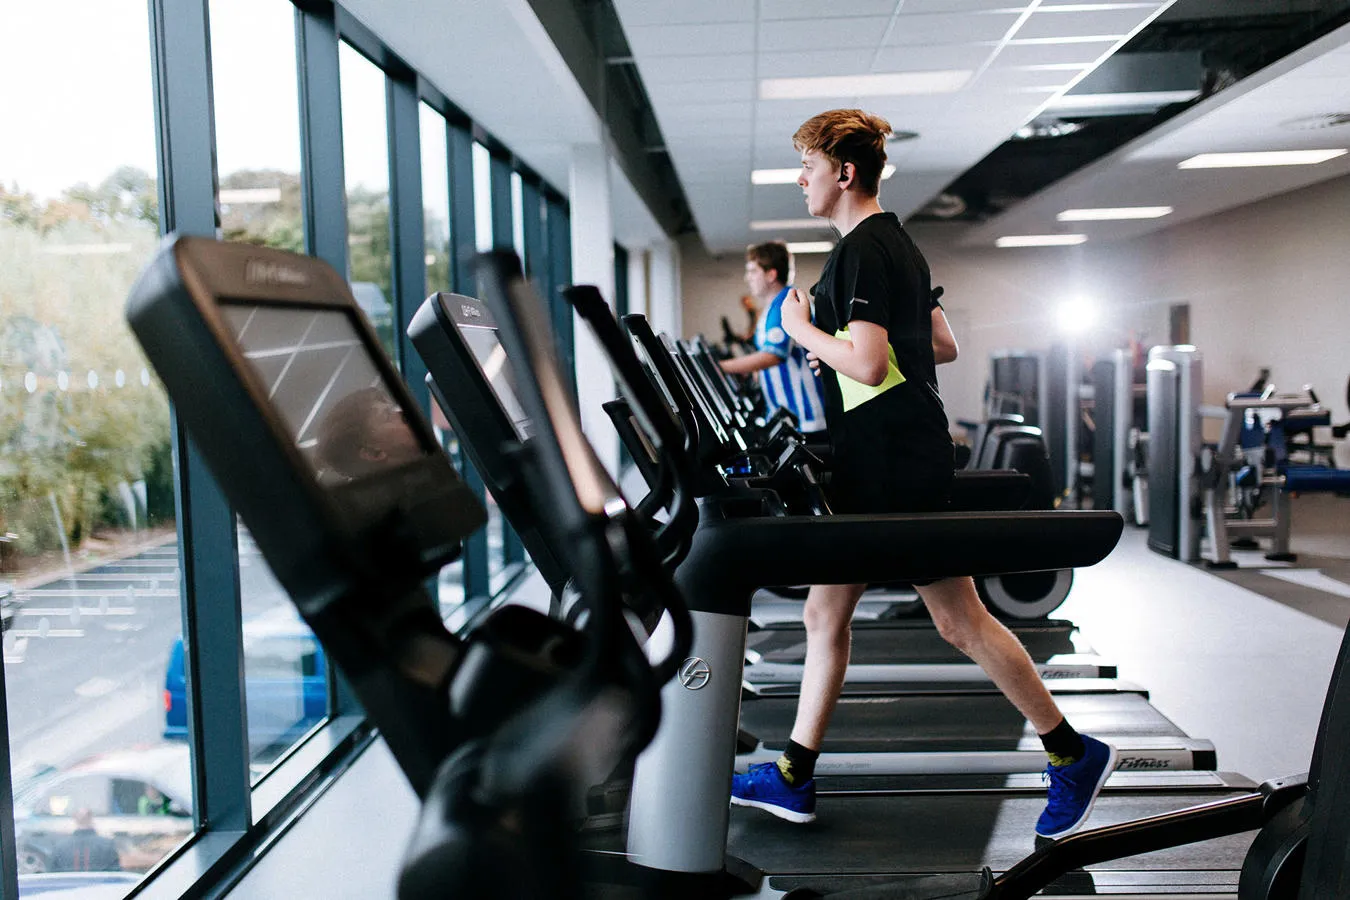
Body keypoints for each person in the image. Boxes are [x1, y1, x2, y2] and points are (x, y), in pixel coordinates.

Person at [730, 109, 1116, 840]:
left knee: (957, 619)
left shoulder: (862, 252)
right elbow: (936, 342)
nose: (801, 183)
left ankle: (1071, 751)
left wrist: (803, 331)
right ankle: (793, 775)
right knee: (828, 612)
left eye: (807, 169)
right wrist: (836, 344)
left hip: (891, 464)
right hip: (886, 454)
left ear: (843, 173)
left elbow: (874, 364)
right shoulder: (893, 244)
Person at [718, 241, 827, 435]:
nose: (747, 278)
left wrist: (720, 368)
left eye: (752, 271)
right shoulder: (774, 307)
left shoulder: (784, 305)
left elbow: (773, 355)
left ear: (771, 274)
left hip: (805, 417)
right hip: (791, 417)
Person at [51, 808, 121, 872]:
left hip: (69, 885)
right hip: (98, 885)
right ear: (91, 819)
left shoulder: (60, 847)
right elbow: (115, 875)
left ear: (75, 820)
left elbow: (52, 875)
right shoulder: (108, 845)